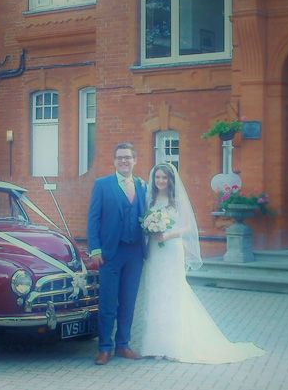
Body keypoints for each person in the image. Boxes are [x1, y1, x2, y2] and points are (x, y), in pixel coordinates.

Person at [132, 163, 265, 364]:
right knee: (155, 294)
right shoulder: (149, 200)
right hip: (154, 252)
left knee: (172, 294)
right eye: (157, 177)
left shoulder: (176, 200)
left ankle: (172, 345)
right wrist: (151, 229)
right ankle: (154, 345)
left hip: (171, 250)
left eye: (164, 178)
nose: (160, 181)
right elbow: (143, 223)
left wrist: (167, 234)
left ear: (170, 180)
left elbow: (187, 226)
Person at [87, 142, 148, 365]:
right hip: (110, 254)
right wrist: (95, 249)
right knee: (108, 302)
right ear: (114, 161)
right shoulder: (103, 185)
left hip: (135, 253)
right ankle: (105, 347)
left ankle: (123, 345)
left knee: (129, 301)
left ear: (135, 160)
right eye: (120, 157)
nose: (124, 161)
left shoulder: (142, 186)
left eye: (128, 157)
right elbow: (93, 218)